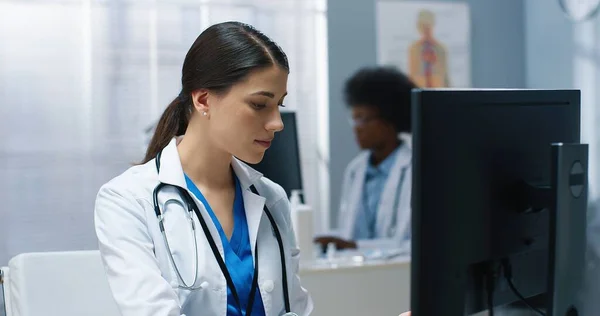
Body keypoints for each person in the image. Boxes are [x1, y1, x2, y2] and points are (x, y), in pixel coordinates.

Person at [94, 21, 313, 316]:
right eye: (260, 105)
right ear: (203, 100)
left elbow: (297, 309)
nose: (277, 123)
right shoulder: (127, 200)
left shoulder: (271, 200)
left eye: (279, 106)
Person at [315, 66, 416, 252]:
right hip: (361, 273)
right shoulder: (356, 169)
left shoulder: (415, 168)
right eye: (354, 119)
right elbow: (349, 231)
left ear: (390, 120)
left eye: (363, 119)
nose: (357, 128)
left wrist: (355, 246)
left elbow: (412, 244)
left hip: (398, 274)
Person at [408, 9, 450, 88]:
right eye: (423, 26)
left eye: (428, 26)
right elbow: (412, 75)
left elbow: (445, 76)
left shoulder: (441, 49)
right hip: (420, 90)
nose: (426, 30)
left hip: (438, 91)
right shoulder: (414, 49)